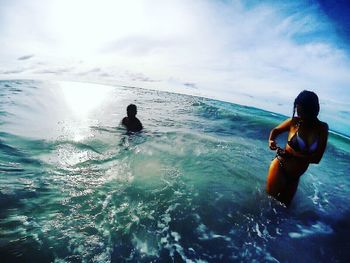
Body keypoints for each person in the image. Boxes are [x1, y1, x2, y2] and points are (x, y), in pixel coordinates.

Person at [266, 90, 328, 207]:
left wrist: (293, 154)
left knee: (284, 209)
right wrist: (271, 141)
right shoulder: (294, 122)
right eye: (297, 111)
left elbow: (317, 159)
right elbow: (275, 131)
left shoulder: (322, 128)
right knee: (269, 203)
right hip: (280, 167)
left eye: (302, 112)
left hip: (295, 177)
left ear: (312, 110)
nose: (299, 115)